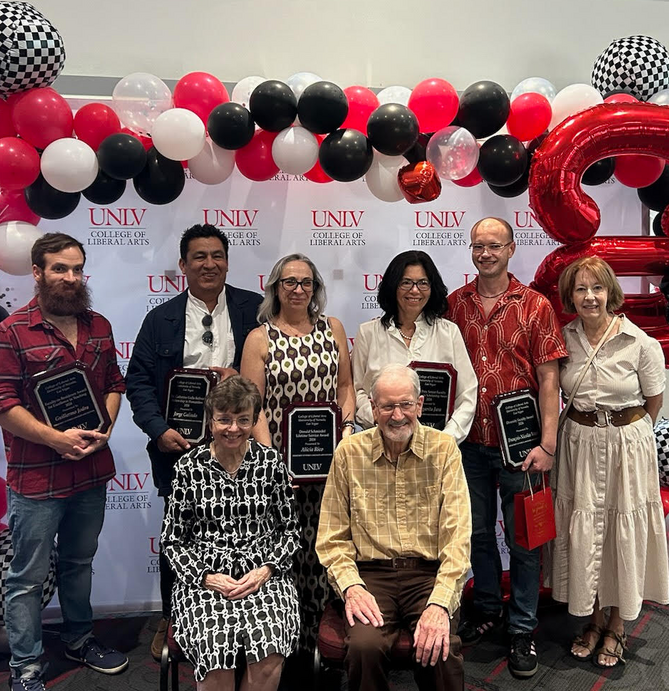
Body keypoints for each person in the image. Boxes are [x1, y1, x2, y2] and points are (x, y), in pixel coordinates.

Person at [0, 233, 129, 691]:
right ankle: (25, 665)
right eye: (60, 268)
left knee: (79, 562)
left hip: (90, 470)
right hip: (37, 479)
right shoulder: (10, 332)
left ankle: (79, 639)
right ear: (38, 272)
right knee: (27, 575)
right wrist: (55, 439)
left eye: (77, 268)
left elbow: (114, 383)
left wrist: (104, 429)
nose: (70, 277)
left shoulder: (98, 325)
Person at [125, 223, 263, 660]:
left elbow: (276, 373)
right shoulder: (160, 318)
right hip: (179, 450)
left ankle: (247, 612)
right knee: (179, 540)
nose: (209, 264)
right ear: (183, 265)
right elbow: (139, 383)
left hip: (243, 447)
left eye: (217, 255)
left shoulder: (255, 309)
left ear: (227, 261)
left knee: (249, 532)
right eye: (199, 257)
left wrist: (240, 379)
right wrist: (157, 429)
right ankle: (173, 617)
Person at [446, 217, 566, 679]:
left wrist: (548, 444)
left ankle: (522, 627)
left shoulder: (535, 305)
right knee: (476, 533)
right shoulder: (456, 305)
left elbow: (549, 380)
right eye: (478, 245)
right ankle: (489, 610)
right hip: (469, 444)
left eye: (494, 245)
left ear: (512, 248)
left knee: (525, 540)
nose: (486, 253)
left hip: (523, 447)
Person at [316, 364, 471, 691]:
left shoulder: (444, 450)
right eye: (387, 406)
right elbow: (332, 539)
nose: (397, 415)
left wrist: (440, 603)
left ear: (420, 405)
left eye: (405, 405)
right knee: (363, 648)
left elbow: (458, 541)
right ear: (372, 408)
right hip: (371, 576)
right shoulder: (348, 453)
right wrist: (351, 587)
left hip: (428, 575)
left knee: (439, 649)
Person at [550, 256, 669, 668]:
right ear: (570, 296)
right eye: (580, 289)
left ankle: (618, 624)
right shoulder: (562, 339)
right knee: (588, 531)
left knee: (622, 529)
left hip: (626, 445)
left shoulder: (640, 343)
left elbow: (653, 402)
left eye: (597, 288)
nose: (589, 297)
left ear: (610, 293)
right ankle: (594, 619)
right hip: (579, 444)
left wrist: (624, 436)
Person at [239, 253, 355, 654]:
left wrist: (345, 433)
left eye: (306, 282)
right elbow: (252, 406)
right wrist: (272, 462)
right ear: (275, 288)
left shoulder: (333, 328)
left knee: (330, 544)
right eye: (289, 282)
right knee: (287, 548)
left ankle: (328, 637)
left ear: (316, 288)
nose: (298, 289)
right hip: (281, 465)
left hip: (332, 463)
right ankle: (287, 640)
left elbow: (345, 389)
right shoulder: (259, 338)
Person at [161, 375, 301, 691]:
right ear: (210, 422)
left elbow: (289, 531)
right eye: (224, 419)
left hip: (264, 576)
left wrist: (265, 571)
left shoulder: (271, 463)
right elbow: (172, 540)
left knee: (269, 648)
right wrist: (206, 577)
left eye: (242, 420)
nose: (233, 428)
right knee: (214, 649)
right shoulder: (189, 467)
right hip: (205, 580)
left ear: (253, 421)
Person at [352, 250, 477, 443]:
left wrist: (446, 440)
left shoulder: (449, 332)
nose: (415, 290)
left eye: (423, 283)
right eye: (406, 282)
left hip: (436, 448)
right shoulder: (368, 333)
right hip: (381, 443)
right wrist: (383, 421)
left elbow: (467, 393)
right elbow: (357, 391)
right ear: (393, 286)